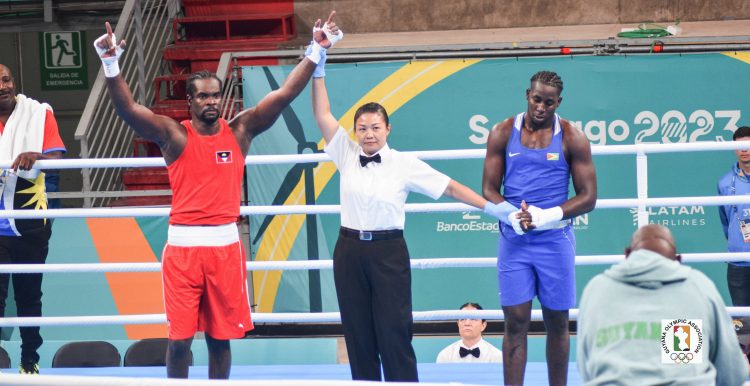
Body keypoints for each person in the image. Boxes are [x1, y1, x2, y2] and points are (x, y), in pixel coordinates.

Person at [94, 12, 339, 379]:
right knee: (178, 341)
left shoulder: (241, 130)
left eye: (215, 95)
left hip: (225, 249)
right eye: (203, 96)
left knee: (219, 339)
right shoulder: (174, 136)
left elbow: (285, 93)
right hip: (183, 252)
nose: (211, 101)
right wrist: (110, 63)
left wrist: (314, 51)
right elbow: (128, 110)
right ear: (189, 100)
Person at [311, 25, 509, 382]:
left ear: (388, 129)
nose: (368, 133)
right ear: (355, 131)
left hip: (388, 252)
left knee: (394, 331)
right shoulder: (346, 152)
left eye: (375, 127)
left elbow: (450, 188)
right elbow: (323, 115)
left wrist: (492, 207)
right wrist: (319, 62)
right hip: (349, 249)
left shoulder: (405, 164)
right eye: (362, 128)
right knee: (357, 332)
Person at [481, 70, 597, 386]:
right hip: (514, 240)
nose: (541, 107)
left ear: (558, 102)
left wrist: (546, 216)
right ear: (527, 95)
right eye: (537, 99)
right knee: (515, 323)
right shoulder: (502, 132)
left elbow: (589, 197)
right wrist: (510, 215)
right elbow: (489, 189)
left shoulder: (573, 136)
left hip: (555, 240)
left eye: (549, 102)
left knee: (558, 322)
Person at [577, 224, 748, 385]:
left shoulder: (598, 289)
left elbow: (586, 368)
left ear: (627, 254)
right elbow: (732, 373)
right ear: (678, 259)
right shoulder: (698, 288)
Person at [0, 64, 66, 374]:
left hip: (29, 218)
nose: (3, 86)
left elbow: (56, 160)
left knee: (29, 296)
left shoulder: (39, 113)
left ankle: (29, 362)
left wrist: (35, 156)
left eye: (6, 79)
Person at [718, 126, 750, 308]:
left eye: (748, 145)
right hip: (739, 263)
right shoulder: (724, 183)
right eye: (739, 146)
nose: (744, 150)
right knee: (744, 327)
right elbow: (725, 222)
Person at [436, 302, 502, 363]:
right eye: (463, 319)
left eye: (473, 319)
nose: (467, 323)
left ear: (483, 325)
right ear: (458, 324)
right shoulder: (445, 356)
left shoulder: (496, 357)